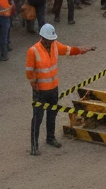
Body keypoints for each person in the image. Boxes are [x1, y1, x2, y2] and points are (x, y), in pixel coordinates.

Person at [26, 24, 97, 156]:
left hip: (53, 88)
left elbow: (69, 50)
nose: (51, 42)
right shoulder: (33, 51)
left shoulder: (55, 46)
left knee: (52, 114)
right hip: (40, 91)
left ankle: (50, 138)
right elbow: (29, 72)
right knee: (38, 118)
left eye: (52, 39)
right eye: (49, 40)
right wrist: (34, 85)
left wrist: (84, 50)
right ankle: (34, 146)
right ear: (42, 38)